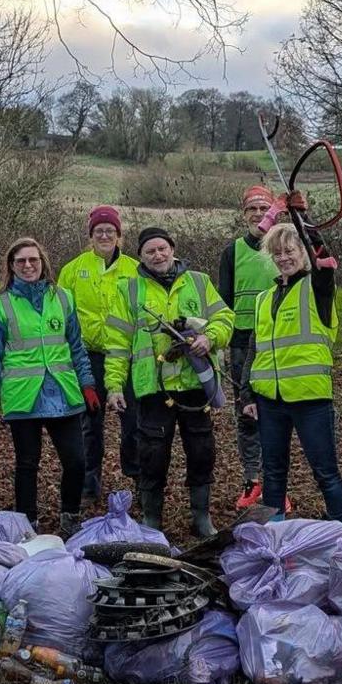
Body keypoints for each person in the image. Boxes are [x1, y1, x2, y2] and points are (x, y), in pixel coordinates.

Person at [105, 226, 235, 536]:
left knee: (202, 450)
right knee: (152, 454)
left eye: (162, 248)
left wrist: (209, 338)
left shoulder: (199, 282)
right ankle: (153, 519)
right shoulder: (129, 290)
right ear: (141, 256)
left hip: (194, 385)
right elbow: (117, 342)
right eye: (150, 251)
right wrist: (113, 385)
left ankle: (201, 516)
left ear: (172, 250)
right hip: (153, 388)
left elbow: (225, 319)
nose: (157, 255)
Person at [0, 238, 98, 534]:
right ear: (11, 266)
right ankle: (26, 523)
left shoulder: (63, 298)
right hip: (23, 396)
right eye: (21, 261)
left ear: (43, 262)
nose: (28, 266)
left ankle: (70, 517)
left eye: (33, 260)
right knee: (27, 464)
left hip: (63, 392)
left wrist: (88, 383)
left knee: (76, 461)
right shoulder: (0, 304)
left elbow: (77, 347)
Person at [241, 218, 342, 524]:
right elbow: (255, 350)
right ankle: (275, 531)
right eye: (277, 253)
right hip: (270, 401)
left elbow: (324, 259)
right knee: (274, 471)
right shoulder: (264, 298)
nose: (283, 258)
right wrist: (246, 394)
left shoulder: (318, 287)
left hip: (310, 398)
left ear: (304, 253)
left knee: (325, 471)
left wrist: (300, 219)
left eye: (290, 251)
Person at [57, 205, 140, 508]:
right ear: (90, 235)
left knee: (133, 423)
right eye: (98, 231)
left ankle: (137, 478)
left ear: (119, 235)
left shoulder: (135, 269)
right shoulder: (72, 269)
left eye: (110, 230)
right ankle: (89, 483)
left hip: (127, 357)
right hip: (88, 357)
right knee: (89, 425)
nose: (104, 235)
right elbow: (61, 314)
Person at [217, 185, 282, 509]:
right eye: (252, 210)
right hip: (242, 342)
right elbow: (224, 304)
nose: (258, 215)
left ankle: (276, 483)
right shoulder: (233, 252)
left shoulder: (283, 247)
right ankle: (251, 479)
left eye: (263, 208)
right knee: (246, 414)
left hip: (276, 343)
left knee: (275, 413)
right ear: (244, 214)